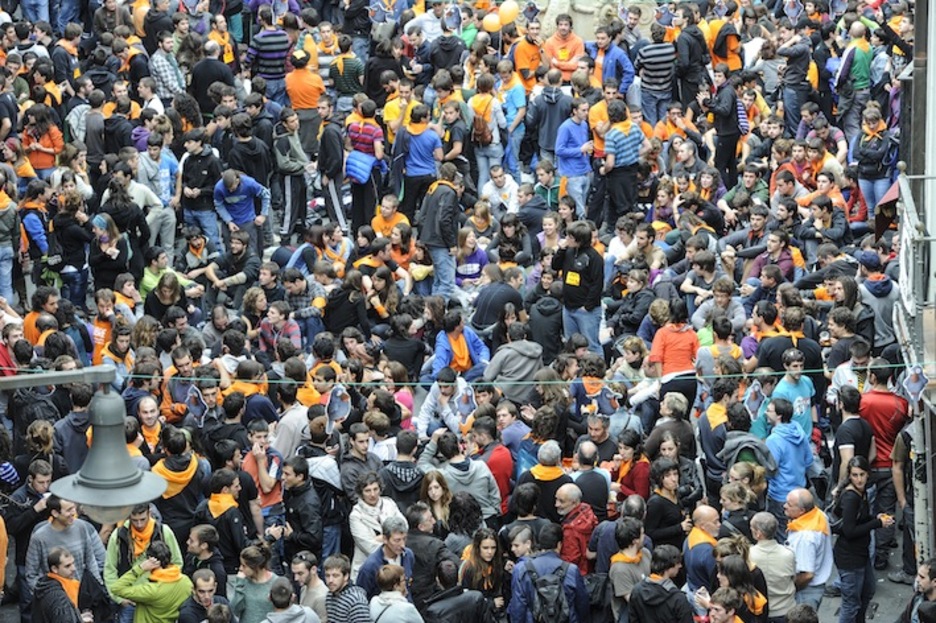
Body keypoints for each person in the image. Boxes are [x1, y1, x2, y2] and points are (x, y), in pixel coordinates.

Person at [835, 455, 895, 623]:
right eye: (855, 475)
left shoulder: (861, 493)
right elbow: (850, 530)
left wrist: (875, 518)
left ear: (868, 474)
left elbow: (858, 519)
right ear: (850, 475)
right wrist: (877, 523)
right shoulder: (851, 497)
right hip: (850, 557)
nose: (859, 479)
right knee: (851, 604)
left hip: (860, 554)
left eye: (862, 474)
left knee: (867, 591)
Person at [508, 522, 589, 623]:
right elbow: (582, 605)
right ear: (559, 545)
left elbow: (518, 607)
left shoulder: (522, 569)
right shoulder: (572, 570)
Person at [110, 541, 193, 623]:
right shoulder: (186, 581)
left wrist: (140, 568)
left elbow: (116, 588)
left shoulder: (151, 590)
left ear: (149, 559)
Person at [552, 220, 603, 353]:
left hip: (586, 310)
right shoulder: (568, 251)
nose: (567, 239)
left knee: (591, 345)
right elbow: (555, 265)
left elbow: (597, 284)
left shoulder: (594, 257)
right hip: (568, 307)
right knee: (571, 345)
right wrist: (561, 250)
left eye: (570, 237)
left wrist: (587, 306)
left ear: (579, 240)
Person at [784, 488, 834, 610]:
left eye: (789, 505)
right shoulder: (819, 515)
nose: (784, 506)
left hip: (806, 591)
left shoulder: (805, 537)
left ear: (802, 511)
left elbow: (807, 575)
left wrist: (791, 588)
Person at [749, 511, 797, 622]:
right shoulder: (788, 554)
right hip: (785, 609)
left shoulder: (748, 555)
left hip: (760, 610)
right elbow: (793, 578)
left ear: (758, 533)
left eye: (751, 527)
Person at [628, 544, 694, 623]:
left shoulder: (636, 591)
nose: (680, 566)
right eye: (678, 563)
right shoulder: (678, 599)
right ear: (670, 566)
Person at [31, 547, 83, 623]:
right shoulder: (59, 598)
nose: (73, 568)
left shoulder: (44, 584)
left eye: (73, 563)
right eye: (67, 566)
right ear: (55, 569)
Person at [323, 555, 371, 623]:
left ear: (346, 576)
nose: (330, 580)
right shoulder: (329, 596)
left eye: (335, 576)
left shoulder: (356, 601)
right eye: (327, 575)